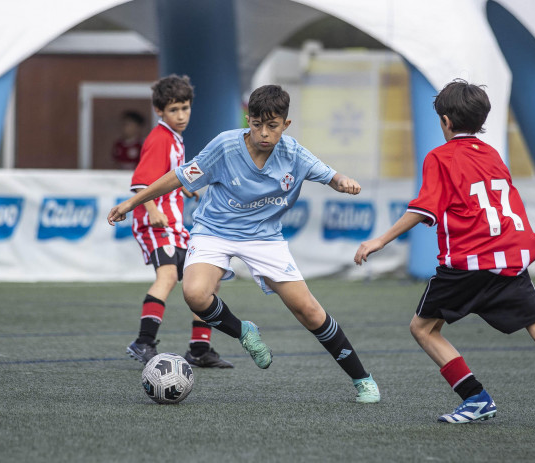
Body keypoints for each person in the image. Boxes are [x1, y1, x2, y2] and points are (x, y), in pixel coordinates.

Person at [354, 79, 535, 428]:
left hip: (470, 261)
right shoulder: (491, 154)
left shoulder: (440, 157)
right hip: (510, 257)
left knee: (423, 329)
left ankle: (476, 399)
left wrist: (379, 240)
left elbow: (424, 209)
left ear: (444, 121)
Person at [109, 84, 380, 403]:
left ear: (286, 124)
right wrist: (133, 202)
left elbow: (330, 175)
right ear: (247, 119)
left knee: (308, 310)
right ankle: (244, 332)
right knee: (194, 294)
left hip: (265, 238)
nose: (264, 133)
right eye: (256, 124)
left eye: (273, 126)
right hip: (214, 232)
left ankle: (362, 379)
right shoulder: (224, 146)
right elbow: (179, 177)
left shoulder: (295, 154)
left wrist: (342, 181)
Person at [126, 74, 232, 369]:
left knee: (208, 279)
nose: (182, 115)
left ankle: (199, 349)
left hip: (174, 226)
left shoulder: (174, 138)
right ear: (159, 111)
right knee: (169, 277)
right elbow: (140, 183)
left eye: (185, 108)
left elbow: (167, 175)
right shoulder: (160, 139)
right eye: (174, 110)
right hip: (156, 224)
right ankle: (143, 342)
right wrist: (151, 210)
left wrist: (182, 187)